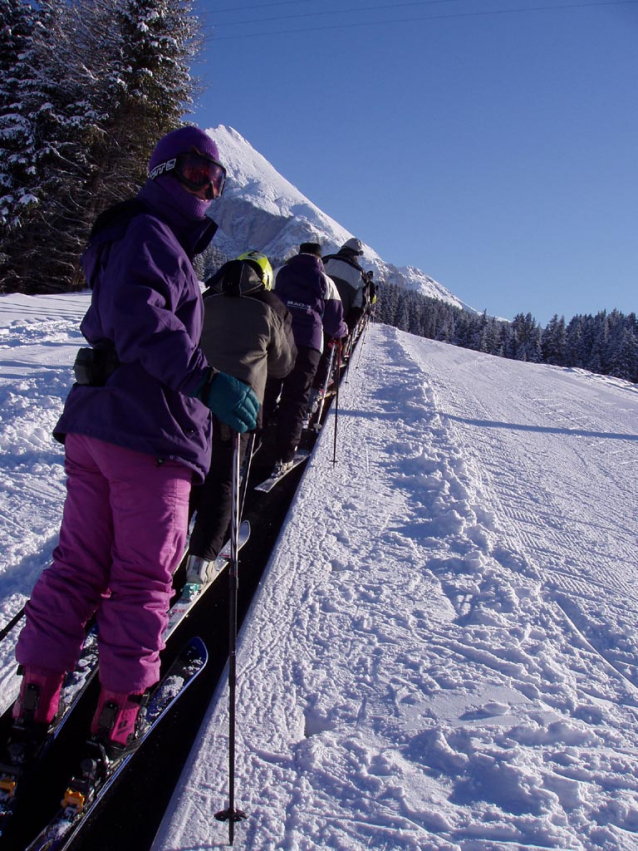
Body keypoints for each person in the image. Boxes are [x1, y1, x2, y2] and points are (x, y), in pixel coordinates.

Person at [9, 126, 259, 758]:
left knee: (77, 568)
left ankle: (35, 701)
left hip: (99, 426)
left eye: (218, 180)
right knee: (144, 581)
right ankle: (115, 722)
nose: (207, 187)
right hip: (149, 435)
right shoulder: (151, 234)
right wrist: (205, 380)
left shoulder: (136, 235)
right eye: (196, 172)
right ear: (161, 172)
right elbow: (141, 318)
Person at [186, 251, 296, 581]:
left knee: (184, 477)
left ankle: (168, 545)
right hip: (238, 408)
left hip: (191, 398)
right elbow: (284, 364)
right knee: (222, 479)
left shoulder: (204, 297)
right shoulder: (272, 306)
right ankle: (201, 561)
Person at [264, 242, 347, 477]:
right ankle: (285, 457)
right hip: (309, 345)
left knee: (267, 391)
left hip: (277, 339)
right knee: (296, 399)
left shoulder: (280, 272)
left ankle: (252, 444)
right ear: (320, 260)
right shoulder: (326, 282)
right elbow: (333, 323)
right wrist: (343, 331)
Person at [322, 237, 367, 333]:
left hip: (315, 315)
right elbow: (358, 305)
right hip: (337, 325)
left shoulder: (326, 261)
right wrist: (348, 328)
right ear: (357, 254)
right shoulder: (361, 276)